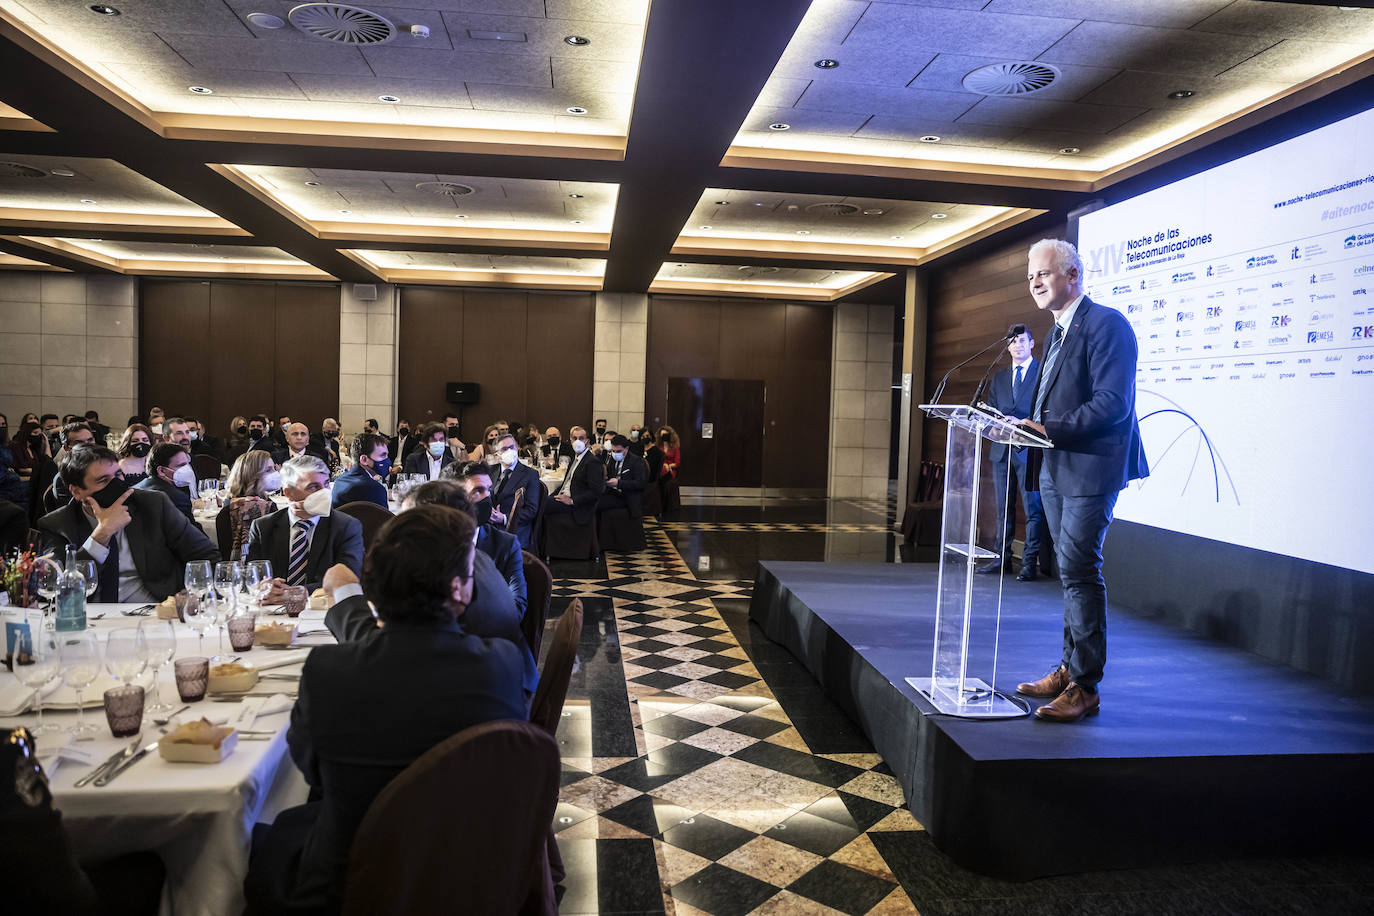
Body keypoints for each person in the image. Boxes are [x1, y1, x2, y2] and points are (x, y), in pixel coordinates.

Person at [243, 507, 526, 914]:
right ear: (460, 591)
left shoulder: (327, 672)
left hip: (348, 883)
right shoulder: (501, 663)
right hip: (469, 876)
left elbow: (311, 773)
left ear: (373, 588)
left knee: (260, 840)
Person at [1014, 238, 1149, 724]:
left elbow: (1114, 404)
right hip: (1054, 466)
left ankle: (1085, 686)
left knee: (1079, 570)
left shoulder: (1107, 324)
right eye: (1030, 275)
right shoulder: (1056, 334)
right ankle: (1069, 667)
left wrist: (1051, 428)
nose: (1034, 282)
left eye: (1044, 273)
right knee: (1068, 573)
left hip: (1092, 467)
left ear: (1072, 275)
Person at [37, 445, 220, 601]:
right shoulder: (57, 524)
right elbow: (56, 588)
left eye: (118, 475)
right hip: (93, 619)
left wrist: (191, 593)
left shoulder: (153, 505)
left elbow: (207, 555)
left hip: (155, 611)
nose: (115, 484)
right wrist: (102, 534)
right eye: (103, 480)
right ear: (77, 492)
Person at [978, 326, 1048, 581]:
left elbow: (1045, 411)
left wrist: (1021, 422)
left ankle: (1030, 563)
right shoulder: (999, 377)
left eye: (1022, 341)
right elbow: (991, 412)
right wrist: (994, 425)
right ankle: (1001, 560)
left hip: (1029, 450)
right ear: (1007, 347)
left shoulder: (1042, 372)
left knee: (1033, 509)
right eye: (1012, 342)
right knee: (1002, 509)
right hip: (1001, 450)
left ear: (1031, 344)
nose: (1017, 345)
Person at [406, 476, 527, 621]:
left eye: (488, 490)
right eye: (478, 491)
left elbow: (515, 609)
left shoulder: (497, 549)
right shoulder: (417, 549)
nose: (487, 497)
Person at [248, 456, 364, 595]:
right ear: (289, 493)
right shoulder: (263, 527)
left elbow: (348, 579)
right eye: (314, 487)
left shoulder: (345, 526)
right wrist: (263, 587)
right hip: (271, 608)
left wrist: (293, 594)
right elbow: (252, 577)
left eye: (326, 484)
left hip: (320, 610)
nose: (324, 493)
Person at [489, 433, 540, 550]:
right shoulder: (490, 471)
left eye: (512, 447)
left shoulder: (530, 474)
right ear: (497, 455)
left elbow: (531, 510)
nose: (510, 451)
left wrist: (504, 518)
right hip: (489, 526)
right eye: (504, 449)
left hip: (515, 529)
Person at [544, 425, 604, 526]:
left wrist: (572, 501)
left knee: (539, 506)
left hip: (577, 505)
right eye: (575, 438)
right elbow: (565, 483)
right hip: (563, 496)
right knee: (538, 502)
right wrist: (552, 496)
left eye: (581, 438)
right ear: (571, 440)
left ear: (587, 441)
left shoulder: (592, 462)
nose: (578, 441)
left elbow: (596, 491)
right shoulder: (575, 458)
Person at [224, 451, 279, 561]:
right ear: (252, 475)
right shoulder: (268, 507)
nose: (276, 473)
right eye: (268, 470)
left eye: (274, 468)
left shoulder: (229, 505)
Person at [133, 442, 197, 523]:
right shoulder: (177, 498)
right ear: (162, 471)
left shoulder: (134, 489)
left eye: (188, 464)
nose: (188, 469)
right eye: (181, 465)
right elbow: (191, 532)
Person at [44, 422, 96, 511]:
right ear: (66, 448)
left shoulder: (105, 468)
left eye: (90, 440)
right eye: (79, 442)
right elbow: (72, 513)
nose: (87, 446)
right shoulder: (63, 479)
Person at [331, 433, 389, 509]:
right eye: (382, 455)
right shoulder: (375, 488)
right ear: (364, 459)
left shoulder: (340, 480)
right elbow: (386, 519)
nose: (387, 460)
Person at [598, 434, 648, 518]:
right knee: (592, 500)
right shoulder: (612, 459)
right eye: (613, 451)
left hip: (627, 496)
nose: (615, 453)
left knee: (598, 504)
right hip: (613, 492)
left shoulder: (636, 461)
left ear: (627, 448)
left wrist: (619, 483)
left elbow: (640, 484)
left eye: (619, 451)